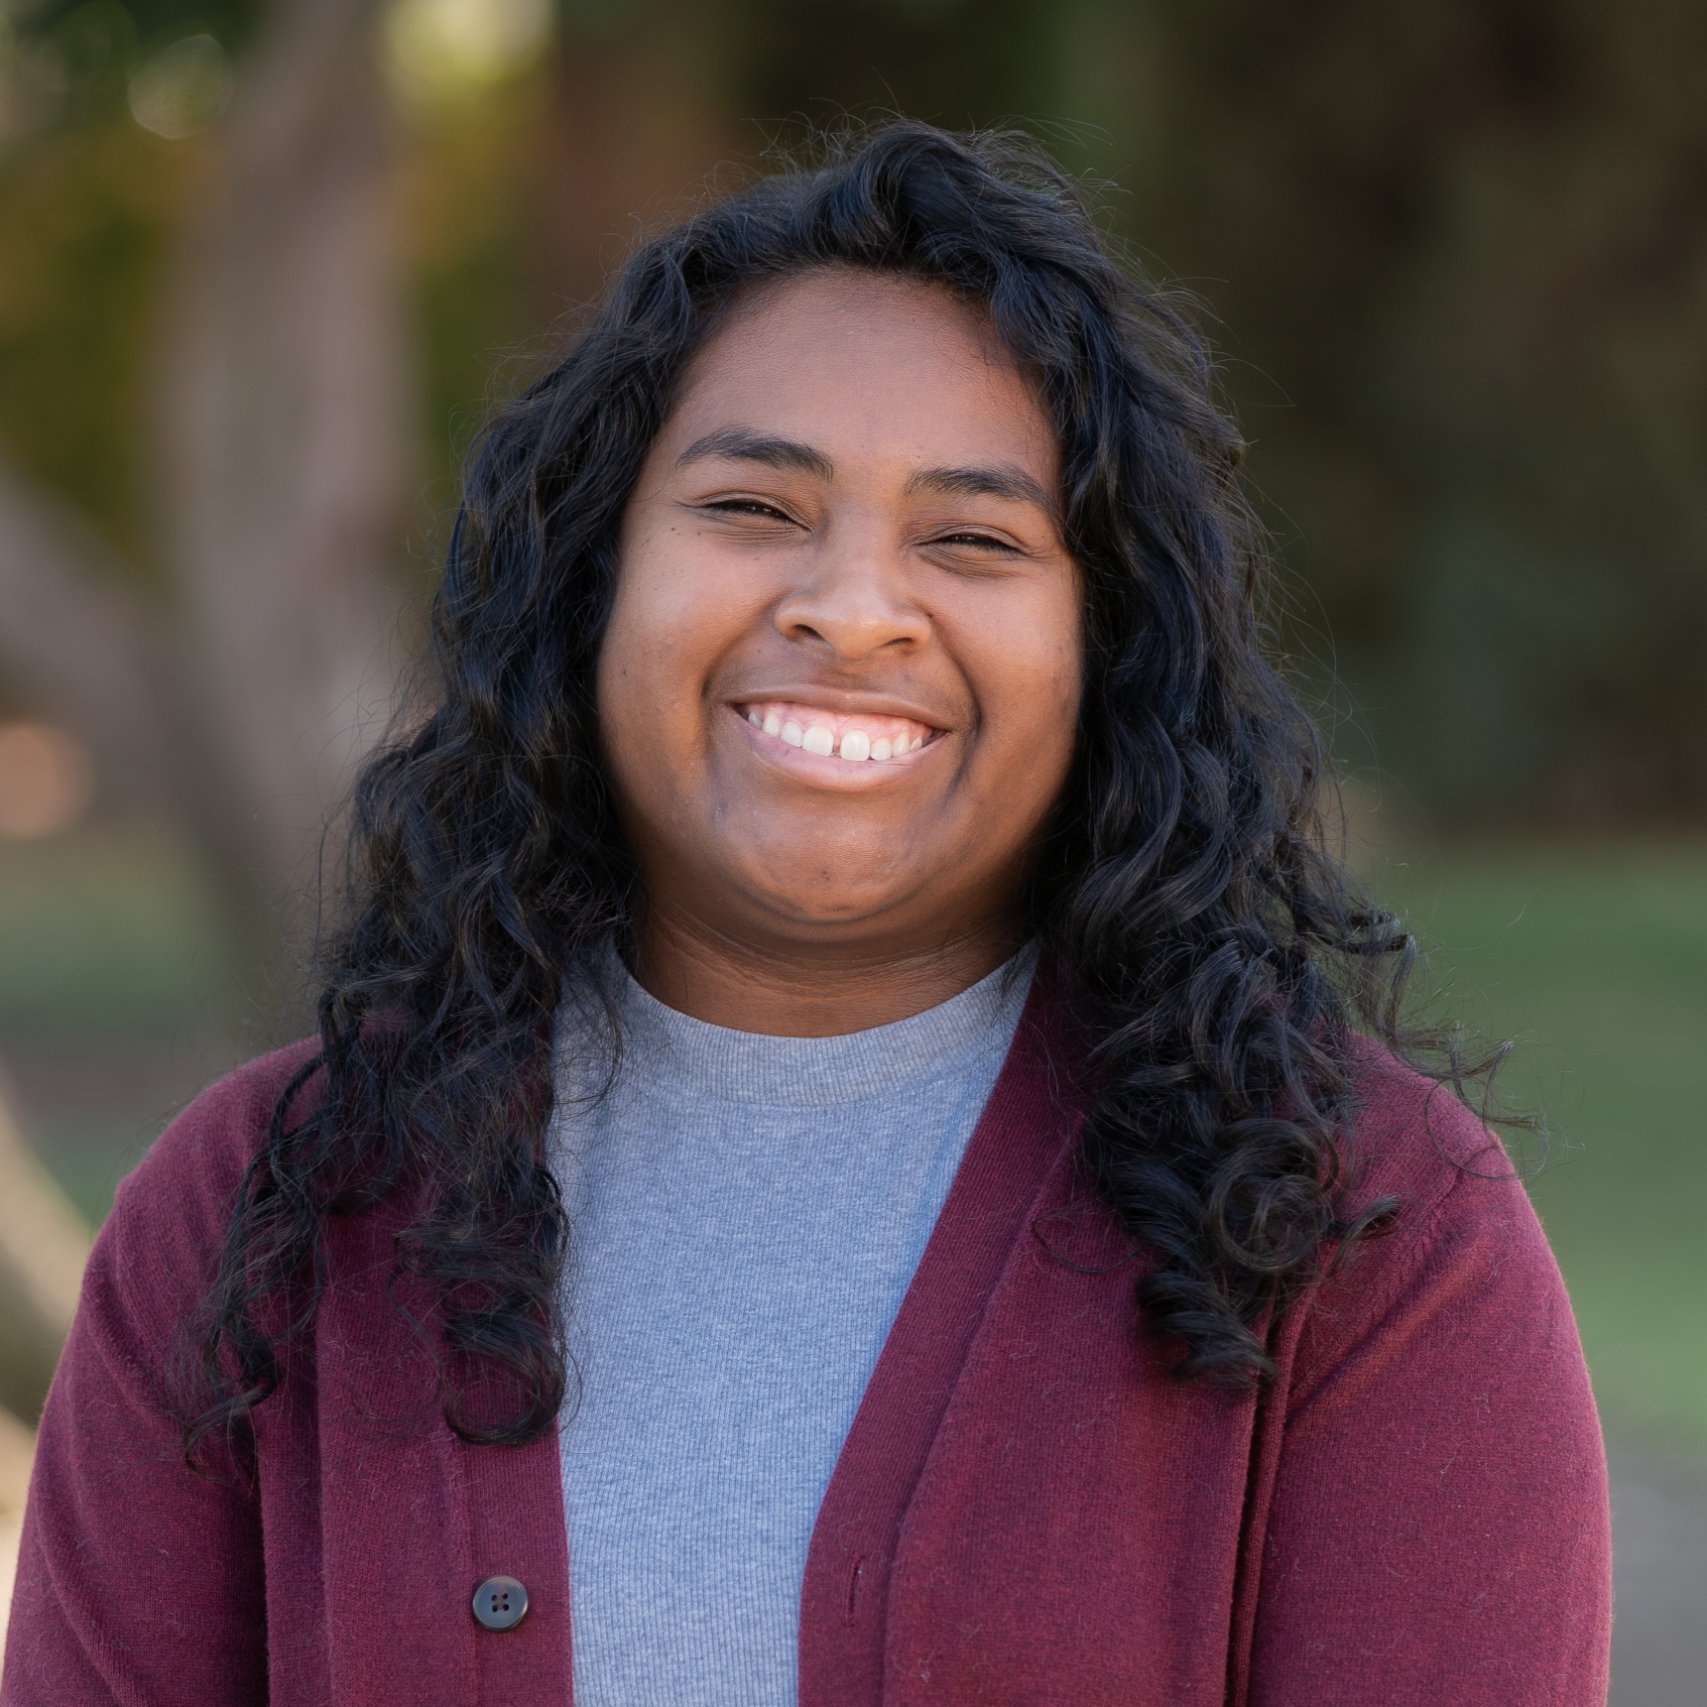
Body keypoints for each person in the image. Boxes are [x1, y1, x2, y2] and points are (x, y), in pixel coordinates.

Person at [2, 121, 1610, 1705]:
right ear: (592, 587)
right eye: (752, 509)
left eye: (973, 540)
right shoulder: (257, 1218)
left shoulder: (1369, 1236)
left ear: (1101, 651)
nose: (847, 610)